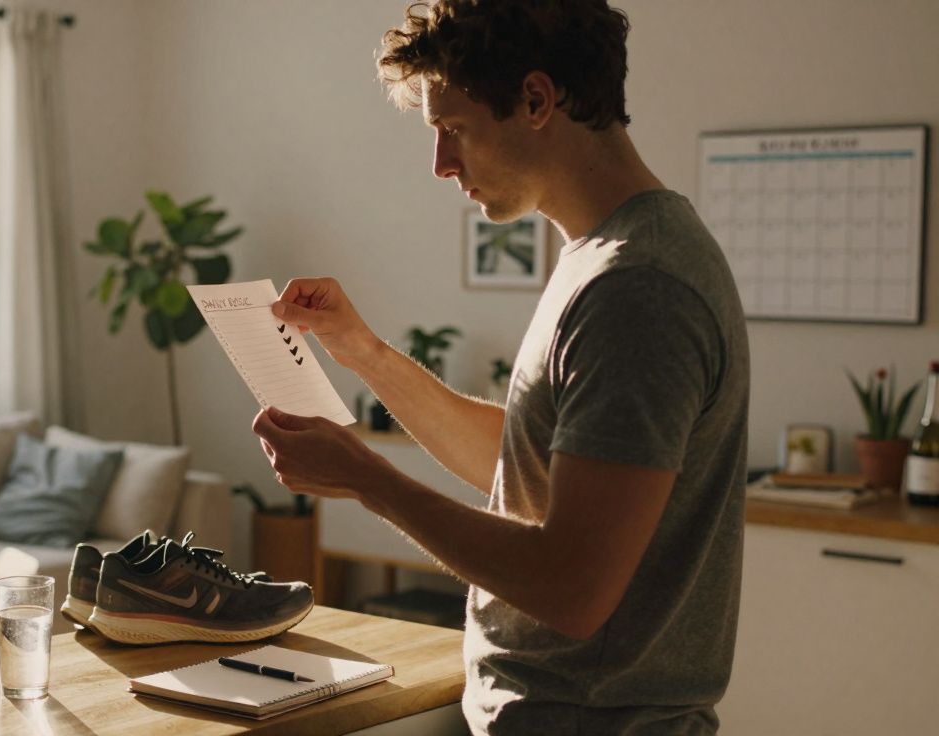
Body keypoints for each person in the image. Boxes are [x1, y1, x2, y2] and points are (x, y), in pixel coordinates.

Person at [250, 1, 750, 734]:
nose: (441, 165)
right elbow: (526, 469)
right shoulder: (603, 257)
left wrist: (368, 480)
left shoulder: (638, 287)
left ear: (537, 100)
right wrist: (363, 352)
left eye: (453, 129)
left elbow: (572, 585)